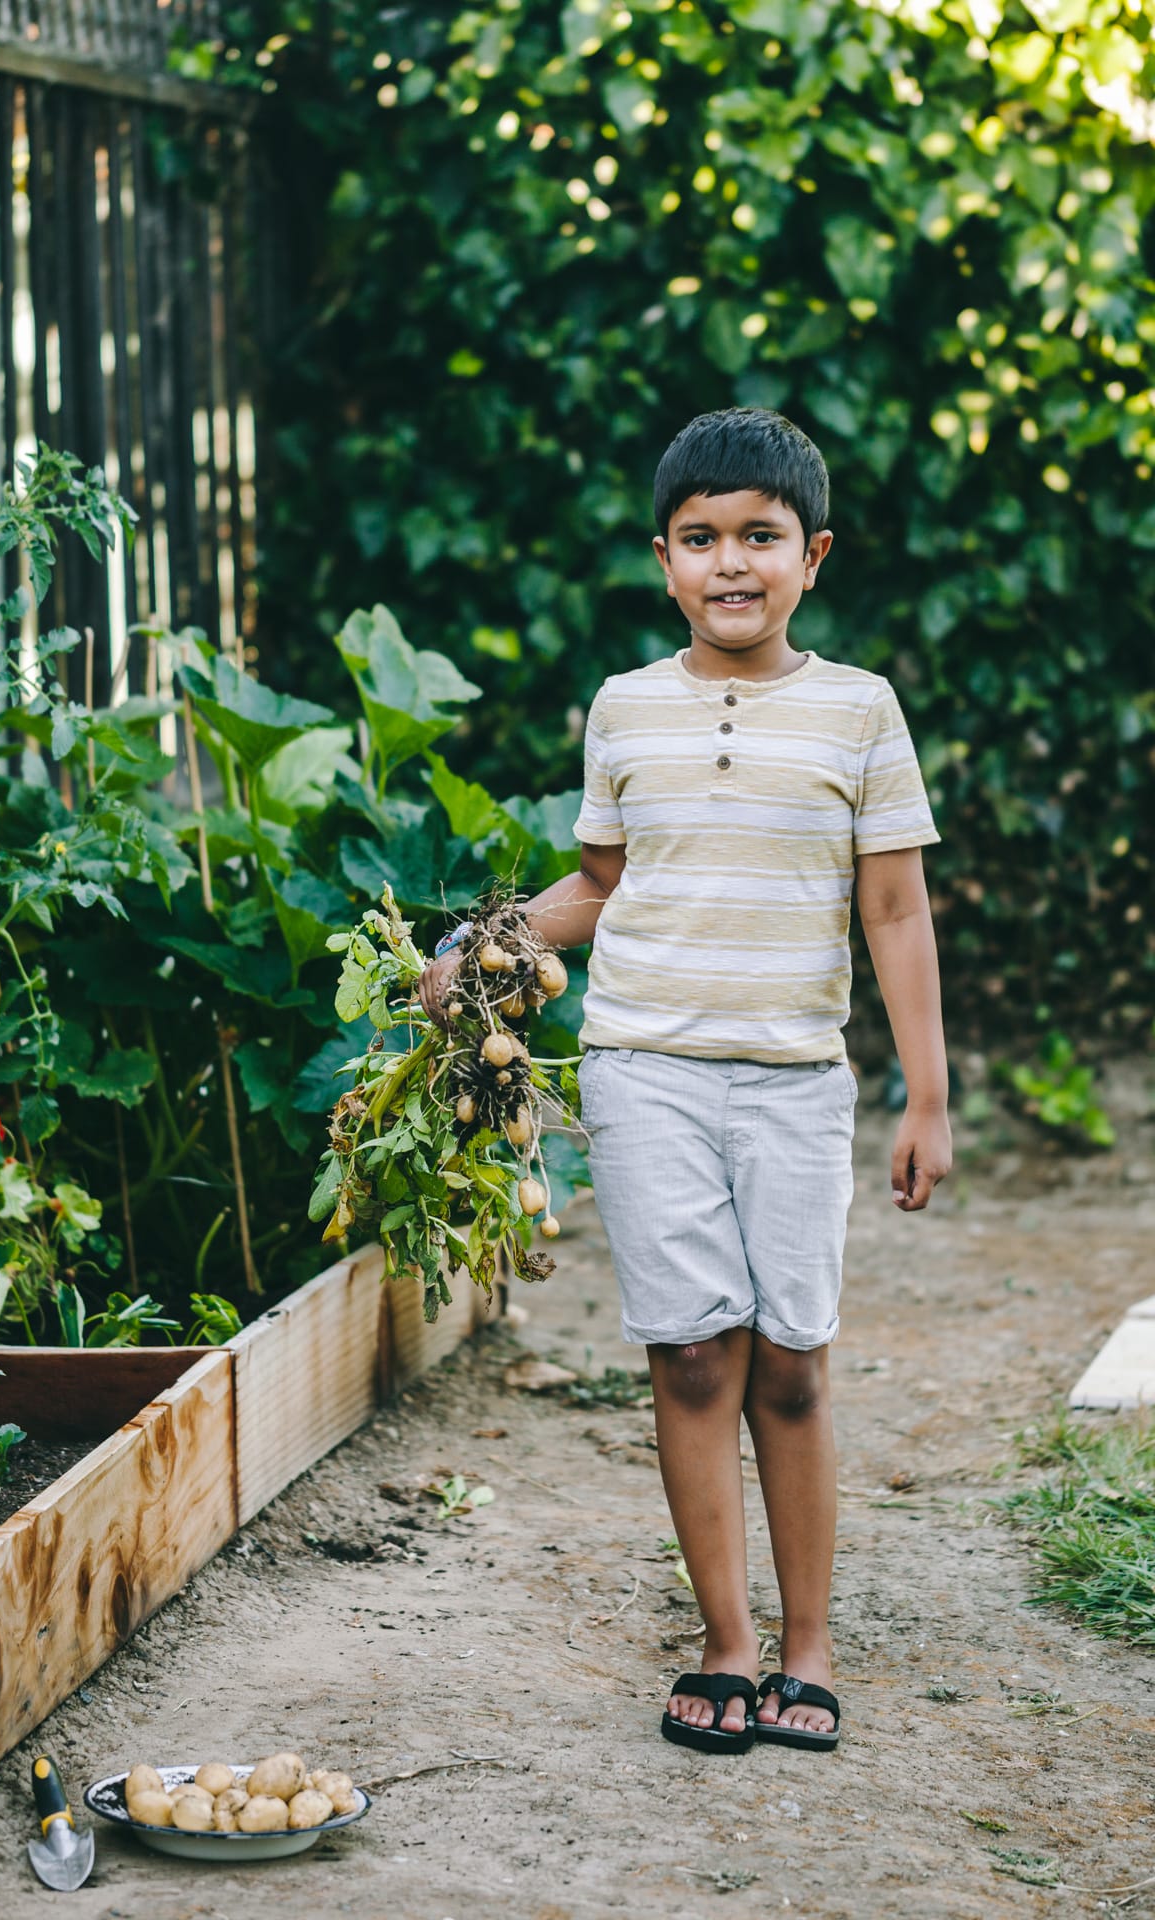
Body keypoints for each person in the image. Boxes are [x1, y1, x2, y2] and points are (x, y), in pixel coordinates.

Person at [417, 407, 950, 1755]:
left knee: (791, 1364)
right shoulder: (626, 708)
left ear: (812, 555)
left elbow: (894, 910)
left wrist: (926, 1095)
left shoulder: (859, 712)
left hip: (792, 1082)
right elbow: (602, 885)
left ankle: (809, 1643)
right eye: (702, 538)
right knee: (696, 1357)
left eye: (760, 538)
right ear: (663, 560)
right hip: (644, 1070)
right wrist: (479, 956)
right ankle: (725, 1640)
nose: (732, 562)